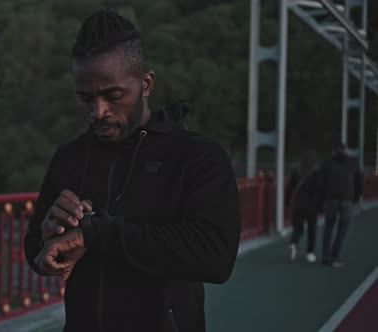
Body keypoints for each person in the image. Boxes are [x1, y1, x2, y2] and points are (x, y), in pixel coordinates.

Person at [24, 9, 241, 332]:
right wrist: (46, 244)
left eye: (113, 96)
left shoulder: (197, 156)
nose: (98, 111)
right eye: (85, 98)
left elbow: (216, 255)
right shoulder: (69, 158)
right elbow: (34, 248)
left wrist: (96, 233)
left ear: (146, 83)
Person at [318, 143, 363, 268]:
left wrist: (321, 201)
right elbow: (359, 181)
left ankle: (325, 257)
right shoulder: (353, 163)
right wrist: (357, 198)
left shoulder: (326, 163)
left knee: (328, 228)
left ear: (333, 151)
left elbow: (321, 184)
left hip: (330, 200)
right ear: (345, 151)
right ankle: (335, 257)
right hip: (347, 200)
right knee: (342, 230)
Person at [285, 158, 321, 262]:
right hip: (312, 206)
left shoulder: (296, 172)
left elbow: (289, 188)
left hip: (298, 205)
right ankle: (310, 253)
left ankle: (293, 244)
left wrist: (287, 201)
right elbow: (320, 189)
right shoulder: (316, 173)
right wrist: (320, 205)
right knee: (312, 229)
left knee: (297, 228)